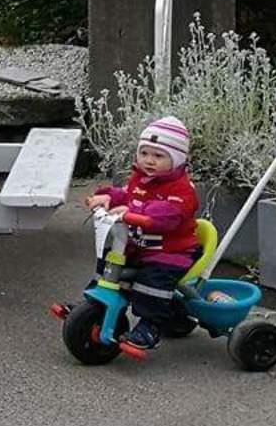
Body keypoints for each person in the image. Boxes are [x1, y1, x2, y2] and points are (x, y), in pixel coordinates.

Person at [81, 117, 201, 358]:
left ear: (175, 160)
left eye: (158, 156)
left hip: (171, 252)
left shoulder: (181, 189)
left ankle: (150, 326)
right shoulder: (140, 179)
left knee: (151, 283)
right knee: (110, 261)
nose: (149, 160)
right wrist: (108, 198)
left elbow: (169, 214)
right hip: (141, 247)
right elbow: (126, 195)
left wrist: (134, 213)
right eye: (144, 153)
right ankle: (93, 307)